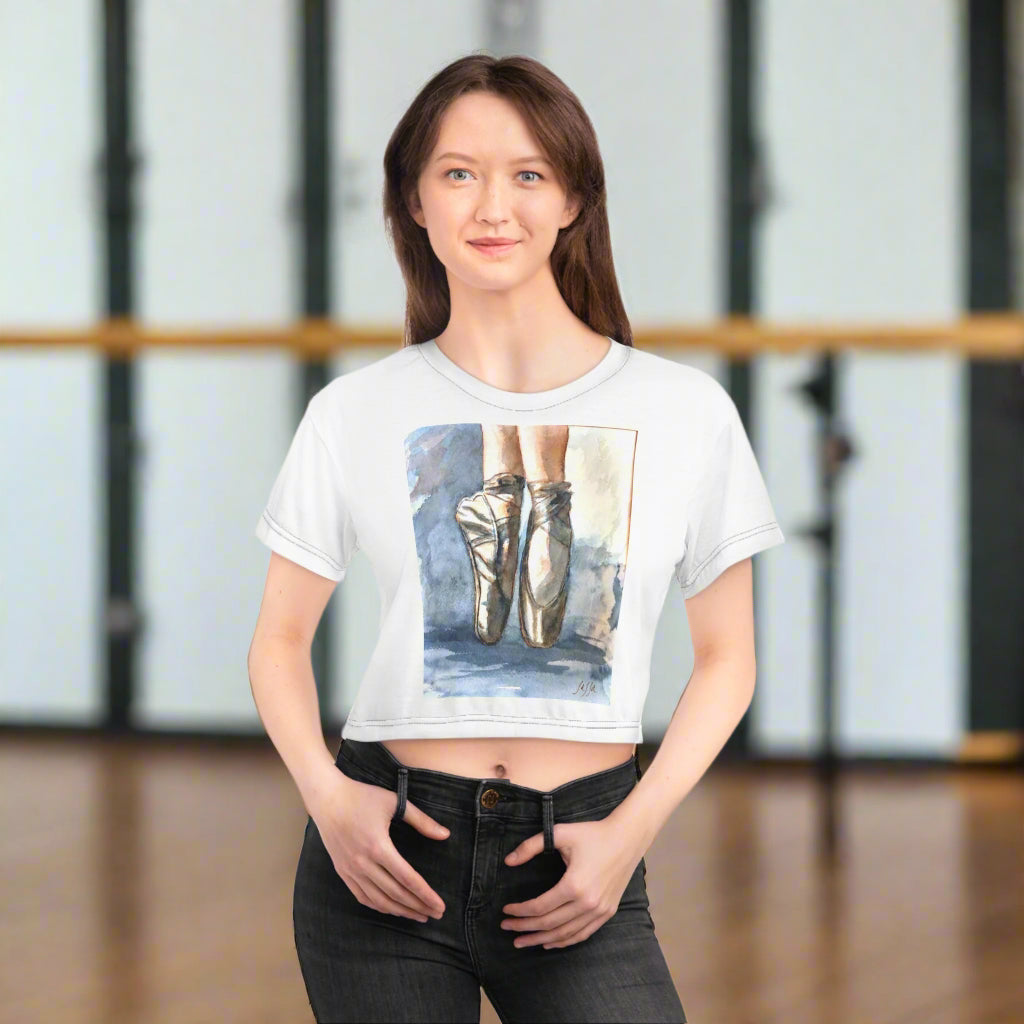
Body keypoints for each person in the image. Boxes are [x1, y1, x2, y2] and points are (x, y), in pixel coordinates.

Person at [248, 53, 784, 1024]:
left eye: (527, 174)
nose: (492, 205)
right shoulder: (353, 411)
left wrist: (629, 831)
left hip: (582, 850)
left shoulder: (685, 410)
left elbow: (728, 659)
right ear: (413, 200)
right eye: (458, 173)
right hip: (385, 850)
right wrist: (328, 800)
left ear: (574, 196)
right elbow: (278, 643)